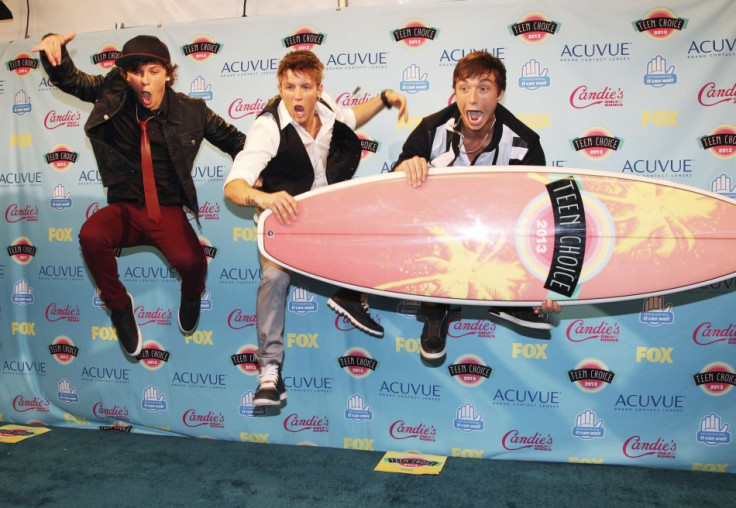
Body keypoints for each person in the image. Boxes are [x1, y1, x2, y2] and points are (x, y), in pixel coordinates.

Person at [33, 32, 246, 358]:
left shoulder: (193, 112)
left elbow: (238, 143)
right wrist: (55, 55)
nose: (144, 81)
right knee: (90, 235)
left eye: (153, 72)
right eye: (136, 72)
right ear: (125, 75)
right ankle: (119, 308)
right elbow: (74, 81)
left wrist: (264, 167)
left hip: (166, 209)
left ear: (168, 73)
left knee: (192, 263)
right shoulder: (112, 93)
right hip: (125, 207)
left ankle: (191, 295)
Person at [224, 50, 407, 407]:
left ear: (318, 90)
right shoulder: (268, 127)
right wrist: (263, 199)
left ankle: (348, 294)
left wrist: (385, 99)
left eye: (305, 87)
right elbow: (234, 187)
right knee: (274, 279)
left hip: (325, 214)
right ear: (280, 86)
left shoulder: (327, 110)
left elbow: (352, 117)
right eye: (289, 86)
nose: (296, 95)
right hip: (284, 218)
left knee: (375, 223)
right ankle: (269, 373)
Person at [393, 50, 561, 362]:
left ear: (500, 94)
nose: (473, 98)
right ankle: (435, 310)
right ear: (454, 93)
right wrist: (406, 166)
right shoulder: (431, 129)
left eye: (483, 88)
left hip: (499, 233)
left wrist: (543, 283)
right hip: (441, 233)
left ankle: (512, 298)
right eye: (464, 88)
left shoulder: (524, 142)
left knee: (518, 215)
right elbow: (393, 186)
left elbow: (541, 217)